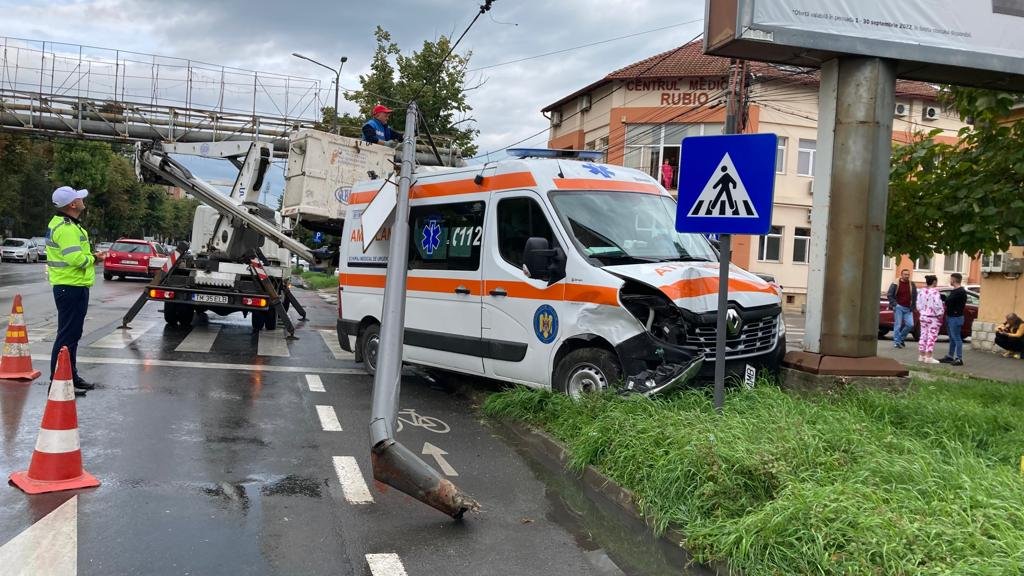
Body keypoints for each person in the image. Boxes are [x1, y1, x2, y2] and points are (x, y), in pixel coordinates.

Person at [46, 186, 107, 392]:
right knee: (67, 335)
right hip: (70, 287)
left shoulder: (68, 225)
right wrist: (95, 258)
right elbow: (75, 259)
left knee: (72, 334)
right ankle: (58, 381)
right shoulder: (67, 228)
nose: (82, 200)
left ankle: (70, 376)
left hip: (72, 286)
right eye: (79, 198)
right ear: (72, 205)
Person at [938, 272, 967, 365]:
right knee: (952, 338)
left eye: (951, 279)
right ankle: (950, 356)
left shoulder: (960, 292)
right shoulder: (955, 291)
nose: (950, 281)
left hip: (956, 318)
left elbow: (949, 302)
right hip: (951, 317)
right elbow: (948, 301)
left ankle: (959, 358)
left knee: (957, 338)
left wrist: (945, 299)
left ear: (954, 280)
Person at [886, 269, 917, 349]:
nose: (907, 276)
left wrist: (913, 306)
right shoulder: (895, 283)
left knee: (910, 324)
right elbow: (889, 295)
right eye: (905, 274)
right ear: (901, 275)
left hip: (908, 308)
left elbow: (915, 296)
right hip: (899, 307)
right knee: (898, 325)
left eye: (908, 274)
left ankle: (901, 339)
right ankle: (897, 342)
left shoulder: (912, 284)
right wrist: (895, 304)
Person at [916, 274, 944, 363]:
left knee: (923, 335)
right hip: (933, 317)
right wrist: (940, 313)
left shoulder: (921, 291)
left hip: (923, 316)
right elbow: (937, 305)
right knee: (931, 336)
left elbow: (918, 304)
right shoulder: (935, 292)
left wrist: (922, 311)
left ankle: (921, 355)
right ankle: (929, 357)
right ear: (934, 282)